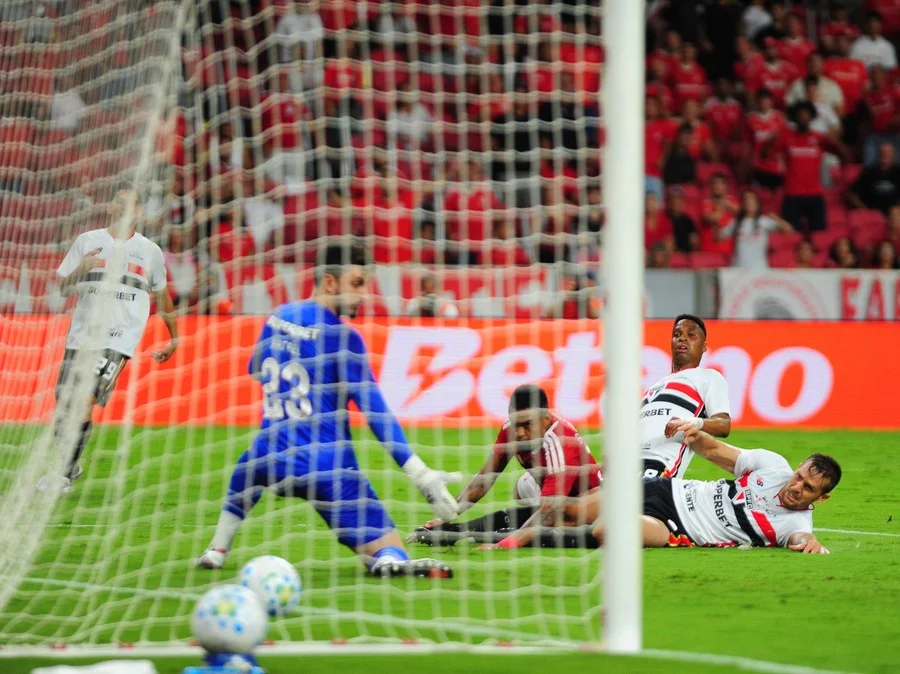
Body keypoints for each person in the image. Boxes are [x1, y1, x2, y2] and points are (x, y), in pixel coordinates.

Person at [197, 241, 459, 577]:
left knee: (247, 468)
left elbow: (256, 368)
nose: (364, 294)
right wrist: (420, 474)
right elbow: (375, 412)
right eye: (357, 284)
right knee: (390, 550)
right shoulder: (343, 338)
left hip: (269, 456)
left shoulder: (280, 315)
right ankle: (387, 560)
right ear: (330, 282)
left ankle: (217, 549)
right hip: (326, 468)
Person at [479, 420, 840, 554]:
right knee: (570, 510)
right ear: (796, 468)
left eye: (808, 488)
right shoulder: (773, 465)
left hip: (675, 528)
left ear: (821, 498)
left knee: (606, 531)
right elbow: (715, 451)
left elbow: (800, 538)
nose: (797, 487)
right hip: (666, 490)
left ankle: (525, 533)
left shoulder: (795, 525)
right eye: (799, 477)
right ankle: (488, 533)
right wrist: (694, 431)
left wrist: (809, 543)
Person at [39, 186, 178, 493]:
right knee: (64, 404)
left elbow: (162, 296)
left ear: (139, 212)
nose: (123, 208)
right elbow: (63, 288)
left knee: (84, 400)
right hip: (81, 336)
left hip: (117, 339)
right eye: (118, 202)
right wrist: (81, 269)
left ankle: (62, 475)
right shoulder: (87, 241)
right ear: (110, 207)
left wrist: (174, 338)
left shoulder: (150, 251)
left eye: (129, 204)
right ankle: (72, 463)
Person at [409, 384, 602, 546]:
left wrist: (506, 543)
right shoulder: (510, 430)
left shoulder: (560, 442)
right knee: (520, 489)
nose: (519, 433)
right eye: (516, 424)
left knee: (559, 514)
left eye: (527, 425)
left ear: (545, 419)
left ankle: (491, 532)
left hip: (588, 497)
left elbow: (549, 510)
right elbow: (484, 479)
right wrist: (449, 514)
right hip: (552, 486)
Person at [639, 314, 731, 479]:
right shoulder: (654, 387)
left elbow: (724, 425)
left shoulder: (708, 377)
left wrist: (693, 422)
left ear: (704, 346)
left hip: (657, 467)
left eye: (691, 335)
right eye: (677, 334)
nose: (682, 338)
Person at [719, 189, 794, 268]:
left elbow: (789, 230)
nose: (749, 202)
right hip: (738, 268)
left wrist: (777, 219)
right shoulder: (736, 222)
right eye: (746, 199)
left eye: (751, 199)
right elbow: (719, 237)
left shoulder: (763, 221)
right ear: (742, 204)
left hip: (759, 268)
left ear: (757, 203)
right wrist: (720, 213)